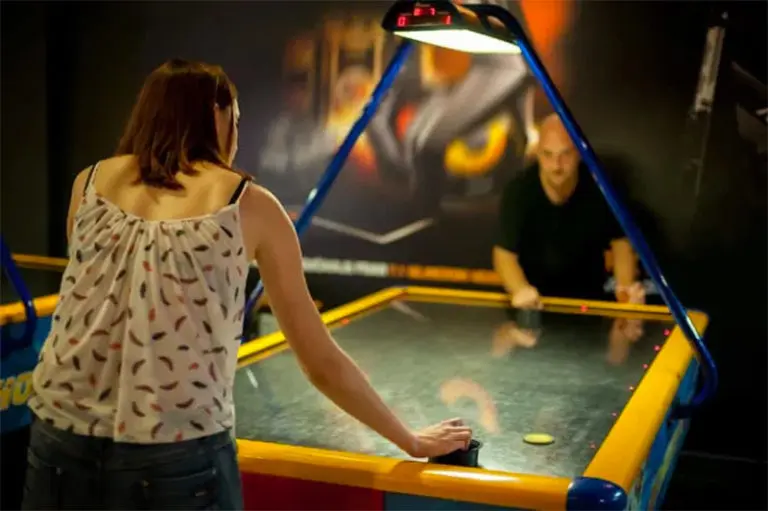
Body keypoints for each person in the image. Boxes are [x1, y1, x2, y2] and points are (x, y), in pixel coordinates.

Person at [22, 59, 472, 510]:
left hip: (57, 440)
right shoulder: (248, 204)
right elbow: (319, 361)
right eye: (235, 118)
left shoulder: (90, 183)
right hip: (174, 456)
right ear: (216, 115)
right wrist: (410, 440)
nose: (236, 133)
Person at [493, 114, 644, 309]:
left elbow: (621, 243)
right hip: (532, 306)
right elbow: (504, 255)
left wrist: (625, 289)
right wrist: (520, 290)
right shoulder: (518, 191)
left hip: (589, 306)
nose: (557, 165)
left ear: (579, 153)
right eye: (548, 154)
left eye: (565, 154)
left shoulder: (601, 187)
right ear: (537, 153)